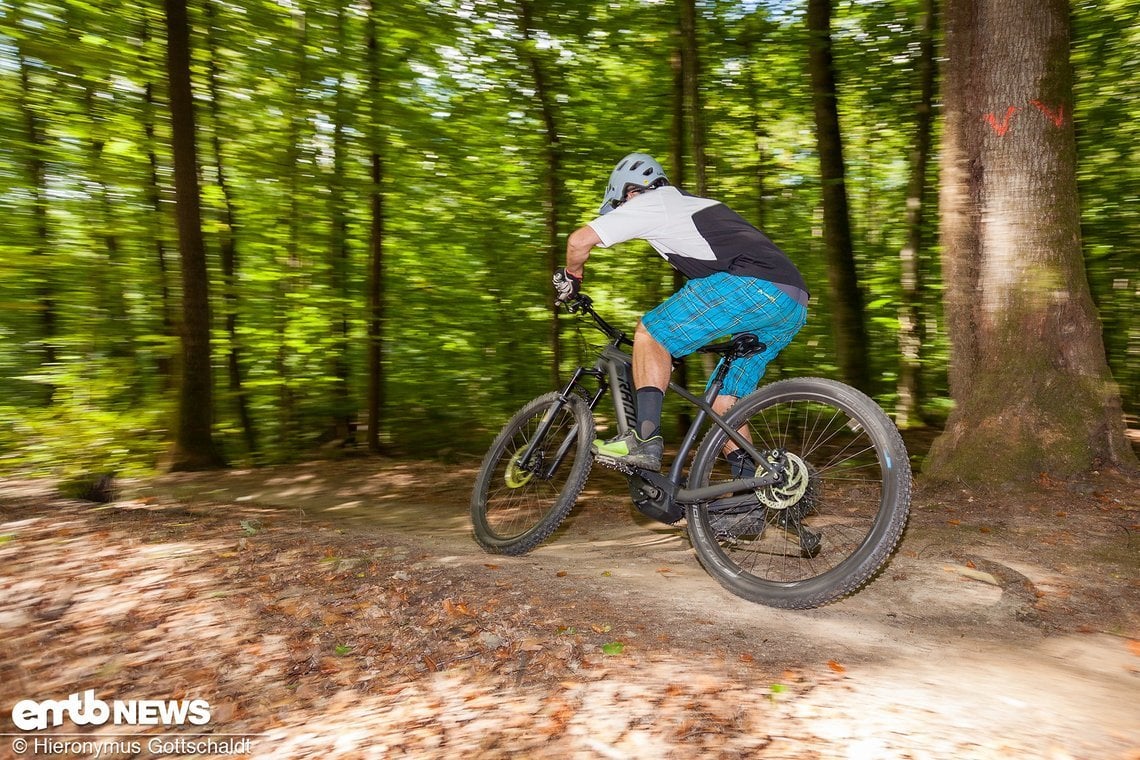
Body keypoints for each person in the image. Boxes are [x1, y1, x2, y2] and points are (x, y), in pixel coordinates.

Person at [552, 152, 809, 472]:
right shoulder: (687, 208)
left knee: (651, 333)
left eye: (620, 205)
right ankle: (752, 496)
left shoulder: (654, 202)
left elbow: (579, 241)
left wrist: (572, 277)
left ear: (631, 192)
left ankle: (643, 440)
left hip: (754, 286)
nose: (621, 213)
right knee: (724, 401)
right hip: (790, 303)